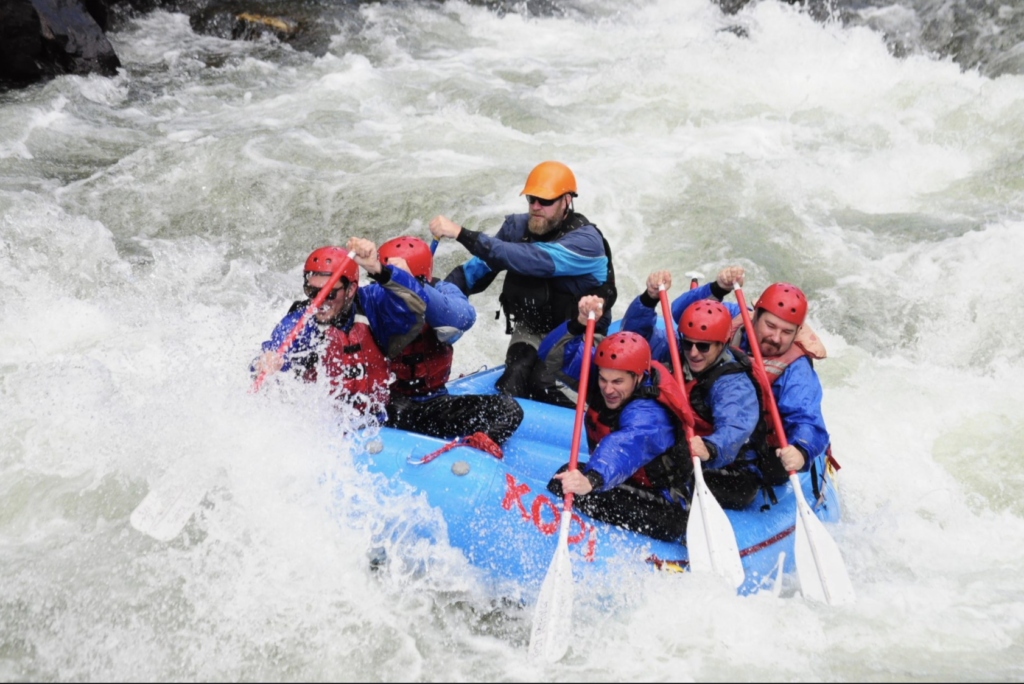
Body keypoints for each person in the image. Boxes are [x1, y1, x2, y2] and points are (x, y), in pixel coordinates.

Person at [428, 161, 616, 407]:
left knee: (541, 385)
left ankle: (592, 423)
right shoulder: (516, 228)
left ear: (566, 200)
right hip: (532, 328)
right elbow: (475, 272)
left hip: (575, 333)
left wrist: (462, 233)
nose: (536, 207)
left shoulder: (586, 242)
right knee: (512, 382)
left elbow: (530, 259)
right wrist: (433, 297)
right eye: (531, 199)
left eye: (545, 201)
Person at [538, 296, 695, 542]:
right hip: (624, 483)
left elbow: (625, 444)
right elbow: (552, 355)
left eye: (617, 382)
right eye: (603, 379)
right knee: (564, 477)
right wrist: (578, 323)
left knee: (574, 486)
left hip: (666, 507)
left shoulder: (650, 412)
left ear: (639, 378)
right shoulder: (606, 379)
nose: (608, 389)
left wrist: (592, 479)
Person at [252, 237, 427, 422]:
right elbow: (274, 350)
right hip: (328, 429)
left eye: (329, 293)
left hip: (378, 419)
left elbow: (417, 304)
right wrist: (265, 362)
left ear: (351, 290)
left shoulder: (372, 304)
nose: (318, 302)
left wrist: (377, 269)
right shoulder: (301, 323)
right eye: (312, 292)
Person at [377, 236, 524, 455]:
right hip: (393, 403)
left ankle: (478, 446)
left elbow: (461, 318)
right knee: (389, 410)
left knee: (510, 410)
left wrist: (415, 290)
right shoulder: (373, 297)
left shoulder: (444, 292)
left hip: (435, 404)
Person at [621, 290, 763, 509]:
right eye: (688, 343)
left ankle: (669, 516)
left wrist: (711, 448)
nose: (694, 353)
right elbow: (635, 340)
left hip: (733, 471)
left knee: (669, 472)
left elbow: (735, 426)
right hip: (685, 450)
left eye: (703, 346)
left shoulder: (733, 383)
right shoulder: (676, 353)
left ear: (722, 343)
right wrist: (647, 300)